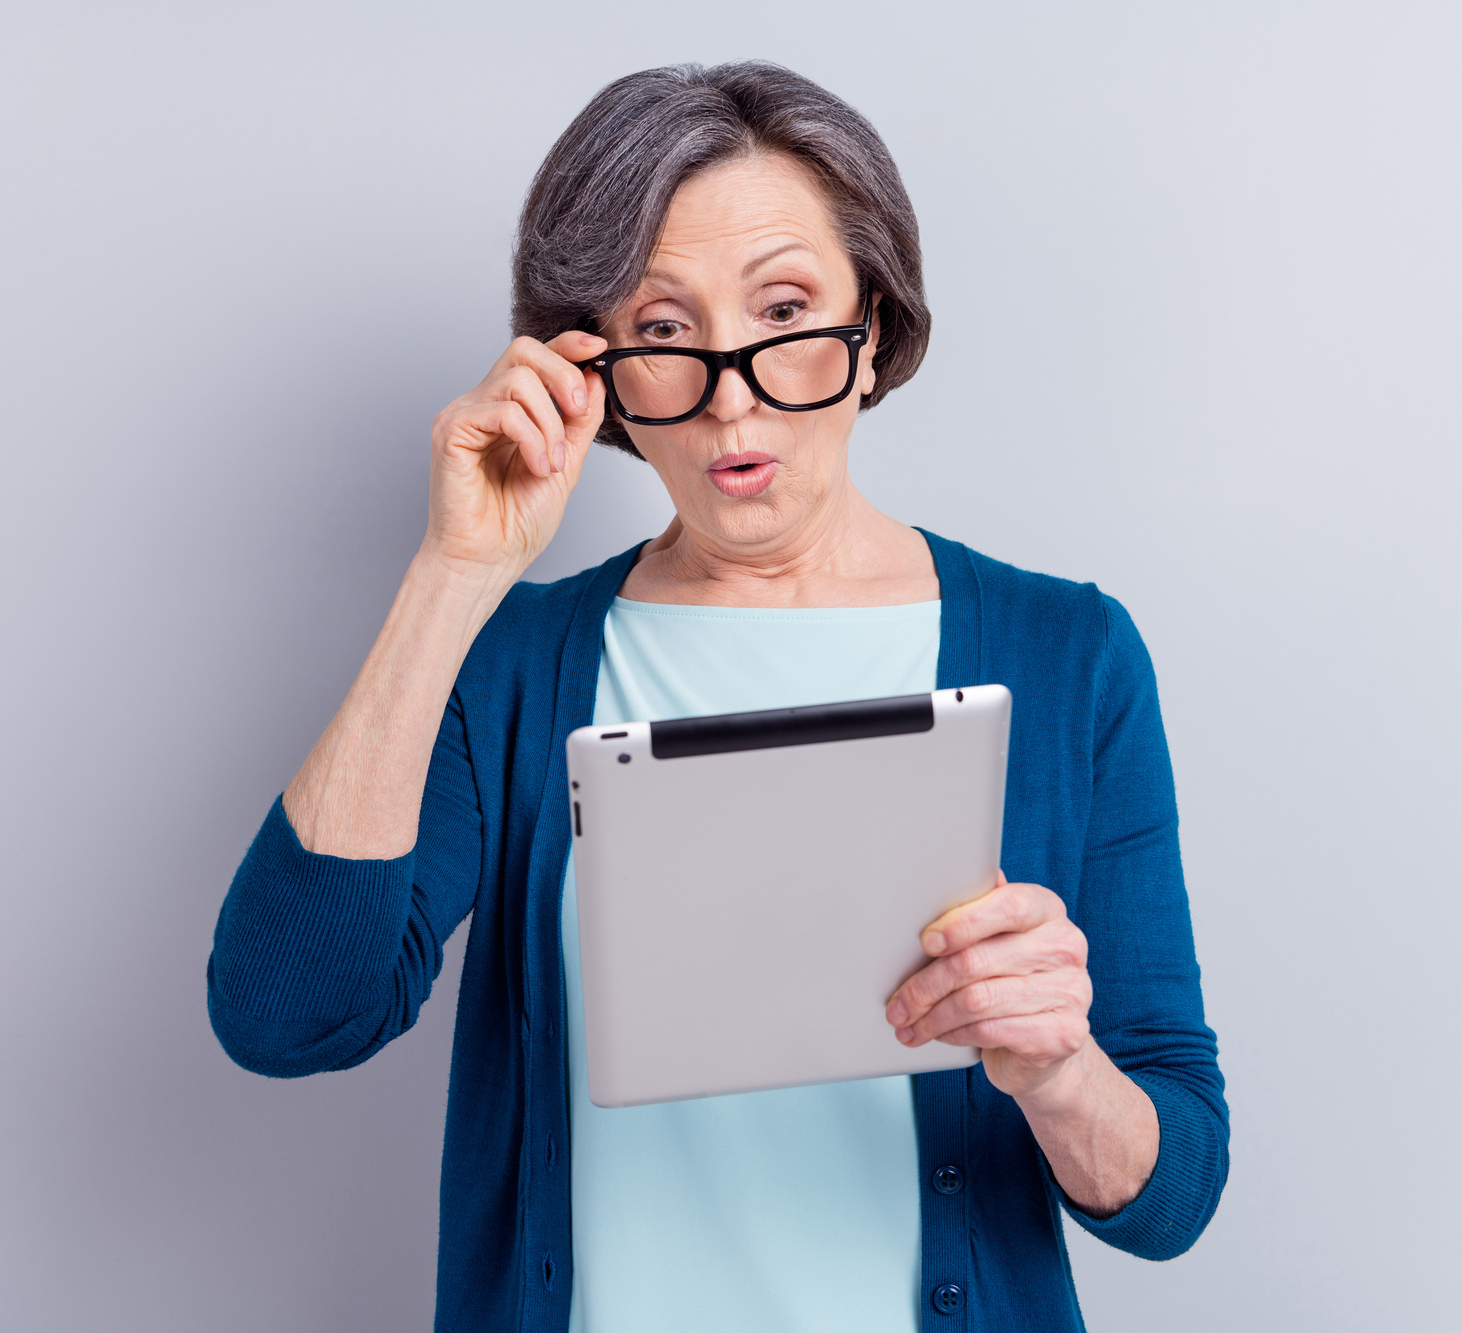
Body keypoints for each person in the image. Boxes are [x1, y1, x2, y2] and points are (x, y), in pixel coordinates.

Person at [207, 61, 1226, 1333]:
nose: (733, 392)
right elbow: (286, 1015)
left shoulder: (1068, 655)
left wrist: (1059, 1070)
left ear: (871, 329)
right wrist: (453, 576)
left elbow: (1174, 1188)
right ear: (599, 375)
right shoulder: (516, 661)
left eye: (785, 308)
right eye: (663, 330)